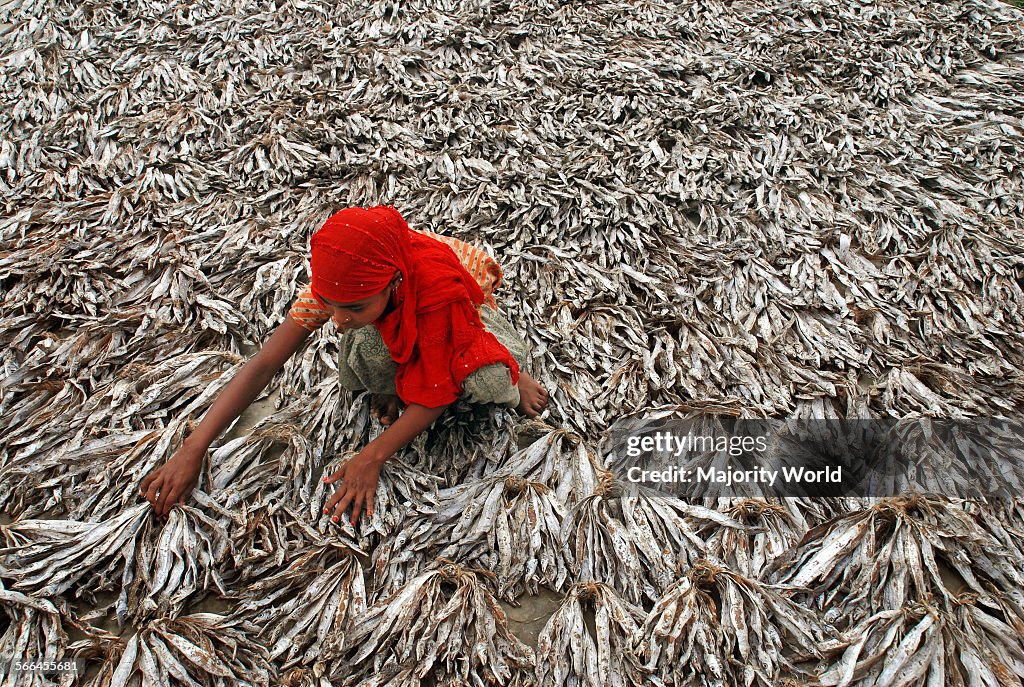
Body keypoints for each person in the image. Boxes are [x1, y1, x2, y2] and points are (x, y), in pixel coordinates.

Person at [139, 206, 549, 525]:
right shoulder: (342, 284)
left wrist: (371, 457)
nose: (336, 320)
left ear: (393, 284)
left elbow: (438, 393)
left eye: (351, 307)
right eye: (331, 306)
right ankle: (394, 378)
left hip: (466, 304)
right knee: (367, 343)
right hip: (396, 299)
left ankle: (513, 364)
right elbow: (264, 364)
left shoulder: (436, 290)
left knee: (487, 379)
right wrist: (195, 446)